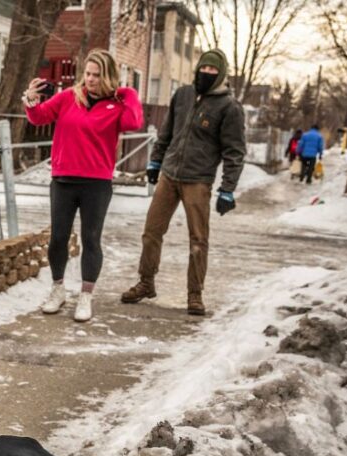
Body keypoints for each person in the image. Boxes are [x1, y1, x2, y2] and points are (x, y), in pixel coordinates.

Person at [120, 49, 246, 317]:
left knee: (198, 240)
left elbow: (235, 152)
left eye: (213, 71)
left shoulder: (229, 107)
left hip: (198, 181)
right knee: (151, 231)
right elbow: (166, 133)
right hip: (169, 175)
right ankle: (146, 282)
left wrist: (227, 189)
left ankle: (195, 294)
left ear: (220, 74)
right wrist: (155, 162)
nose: (207, 74)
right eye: (204, 69)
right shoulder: (183, 95)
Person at [22, 50, 143, 322]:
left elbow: (134, 122)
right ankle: (58, 289)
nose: (90, 79)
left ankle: (86, 296)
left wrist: (127, 93)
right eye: (88, 73)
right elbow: (38, 117)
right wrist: (30, 99)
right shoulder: (68, 98)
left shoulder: (117, 105)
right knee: (58, 238)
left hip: (96, 184)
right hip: (63, 180)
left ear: (108, 76)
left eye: (97, 75)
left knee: (90, 239)